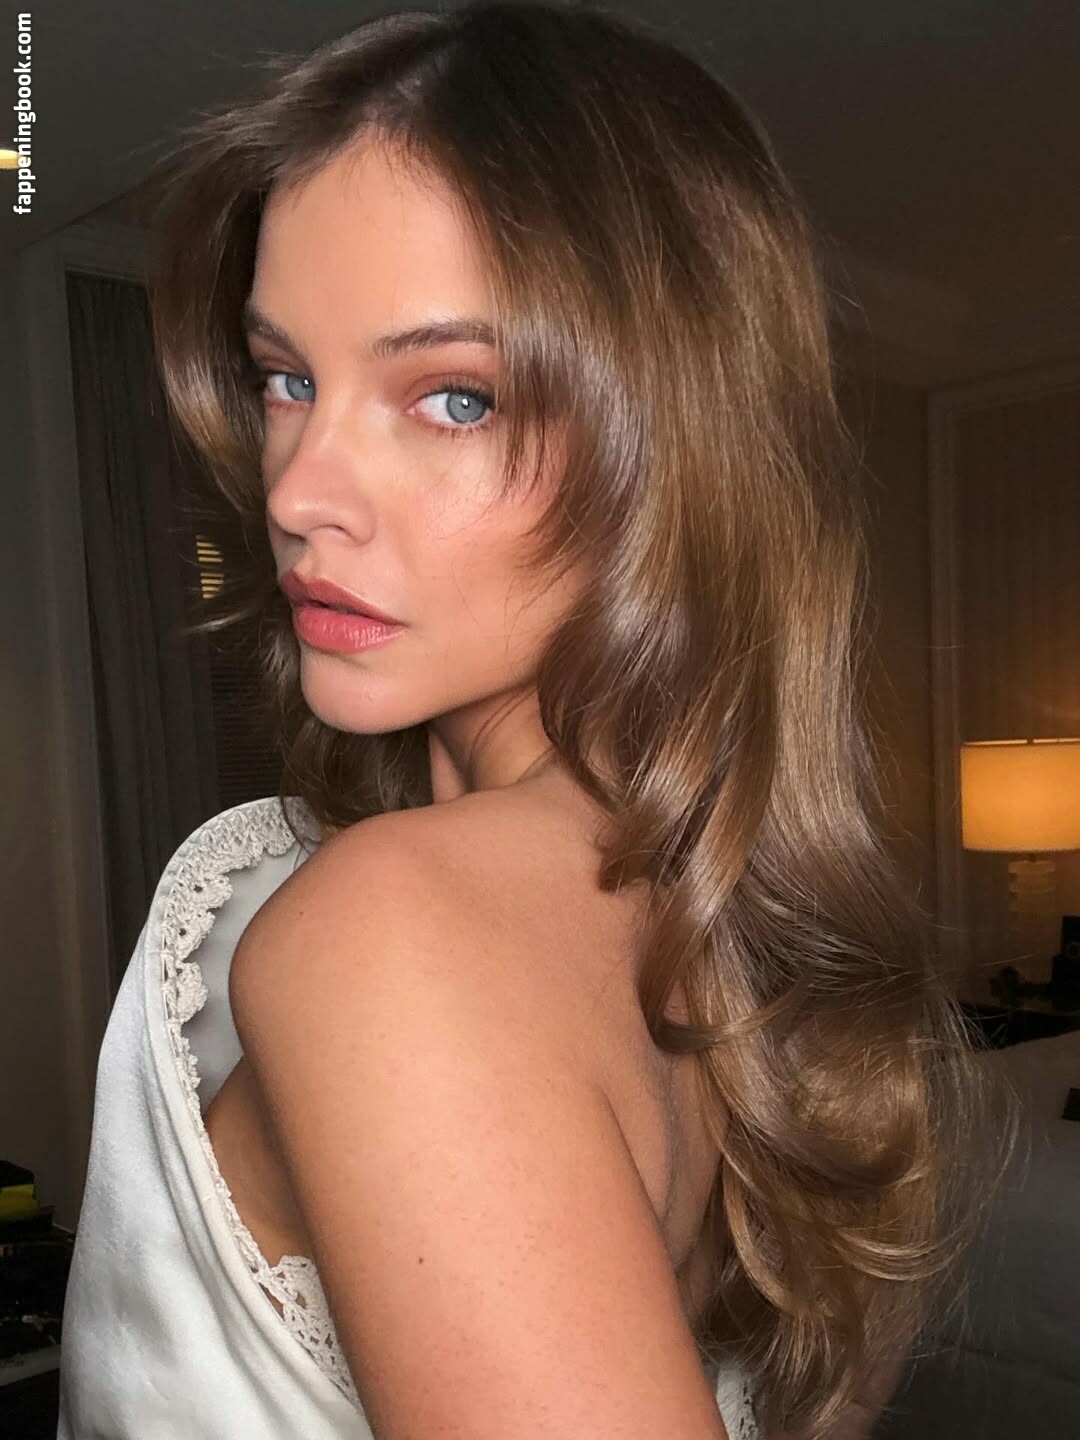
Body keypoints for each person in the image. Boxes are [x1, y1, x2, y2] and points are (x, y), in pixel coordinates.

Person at [57, 4, 1019, 1438]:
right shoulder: (749, 956)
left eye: (454, 397)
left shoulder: (396, 929)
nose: (300, 491)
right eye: (286, 378)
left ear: (674, 451)